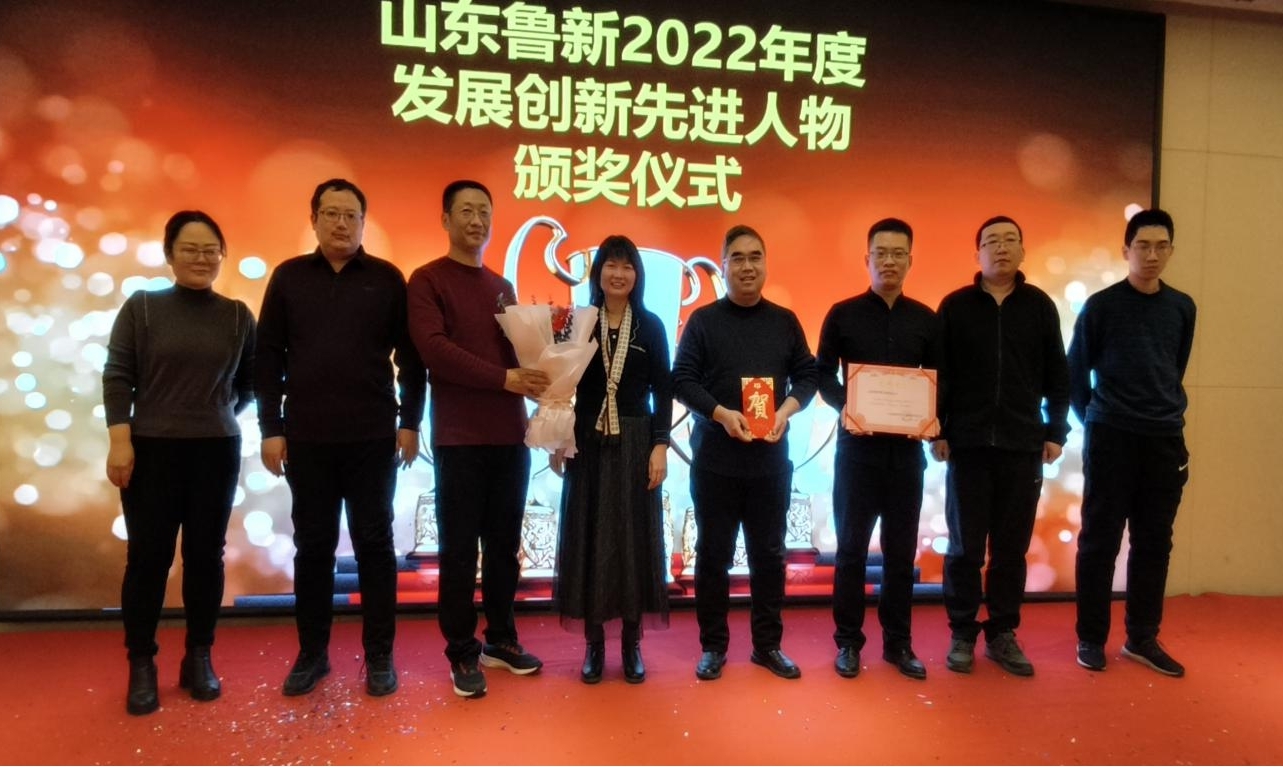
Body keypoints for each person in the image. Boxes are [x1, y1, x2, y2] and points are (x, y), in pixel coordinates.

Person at [255, 179, 426, 698]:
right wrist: (270, 429)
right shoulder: (289, 278)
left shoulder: (387, 279)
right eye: (331, 213)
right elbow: (268, 358)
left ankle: (380, 655)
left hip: (373, 437)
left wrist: (410, 422)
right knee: (313, 546)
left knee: (375, 545)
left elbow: (411, 359)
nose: (341, 223)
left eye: (351, 215)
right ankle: (313, 654)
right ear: (314, 219)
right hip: (306, 437)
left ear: (363, 223)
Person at [104, 210, 255, 715]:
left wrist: (216, 412)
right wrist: (120, 440)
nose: (202, 258)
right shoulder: (143, 308)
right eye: (190, 249)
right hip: (151, 449)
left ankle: (199, 656)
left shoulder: (238, 315)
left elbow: (250, 383)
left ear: (222, 256)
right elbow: (118, 376)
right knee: (148, 558)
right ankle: (141, 662)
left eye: (211, 250)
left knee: (206, 557)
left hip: (216, 449)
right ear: (169, 254)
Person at [407, 179, 550, 699]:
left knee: (505, 547)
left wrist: (550, 373)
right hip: (460, 438)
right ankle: (462, 651)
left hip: (510, 436)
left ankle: (502, 639)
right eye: (465, 211)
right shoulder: (427, 280)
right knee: (460, 550)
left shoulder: (501, 286)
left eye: (484, 211)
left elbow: (521, 356)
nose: (476, 220)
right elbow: (434, 351)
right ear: (446, 219)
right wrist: (505, 379)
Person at [672, 224, 818, 681]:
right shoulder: (703, 321)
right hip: (715, 462)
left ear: (766, 264)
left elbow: (808, 375)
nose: (747, 266)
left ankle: (767, 645)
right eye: (737, 257)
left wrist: (786, 411)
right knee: (712, 556)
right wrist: (720, 414)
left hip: (769, 463)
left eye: (755, 257)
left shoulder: (784, 321)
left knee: (769, 556)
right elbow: (681, 380)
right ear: (723, 266)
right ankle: (713, 646)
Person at [932, 215, 1070, 677]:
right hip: (967, 446)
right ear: (978, 254)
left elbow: (1059, 375)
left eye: (1011, 240)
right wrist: (938, 431)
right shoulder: (955, 306)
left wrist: (1055, 432)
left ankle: (1002, 633)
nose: (1001, 248)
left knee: (1011, 550)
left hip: (1021, 446)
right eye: (991, 241)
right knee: (965, 549)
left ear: (1023, 251)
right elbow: (940, 375)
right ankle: (962, 631)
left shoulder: (1040, 306)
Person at [1069, 208, 1195, 677]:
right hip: (1112, 437)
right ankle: (1091, 637)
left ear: (1171, 251)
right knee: (1099, 541)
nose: (1152, 255)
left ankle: (1142, 638)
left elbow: (1174, 368)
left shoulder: (1182, 307)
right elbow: (1075, 373)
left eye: (1161, 246)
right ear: (1126, 251)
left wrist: (1158, 412)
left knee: (1154, 542)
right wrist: (1097, 420)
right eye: (1143, 245)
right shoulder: (1101, 306)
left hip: (1164, 438)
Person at [815, 218, 938, 680]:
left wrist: (932, 418)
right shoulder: (842, 314)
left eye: (898, 253)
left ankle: (898, 643)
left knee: (901, 554)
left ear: (911, 260)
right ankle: (848, 642)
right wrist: (848, 405)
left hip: (906, 455)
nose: (889, 261)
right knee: (850, 551)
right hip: (857, 452)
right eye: (881, 253)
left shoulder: (926, 320)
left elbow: (939, 381)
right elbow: (822, 374)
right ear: (867, 259)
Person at [549, 235, 673, 685]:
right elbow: (560, 386)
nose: (619, 274)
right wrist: (557, 437)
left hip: (637, 439)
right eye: (611, 265)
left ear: (637, 275)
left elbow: (664, 389)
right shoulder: (578, 322)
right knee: (590, 537)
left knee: (633, 539)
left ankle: (632, 642)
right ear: (597, 272)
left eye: (627, 266)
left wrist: (661, 445)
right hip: (587, 441)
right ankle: (595, 643)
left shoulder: (651, 326)